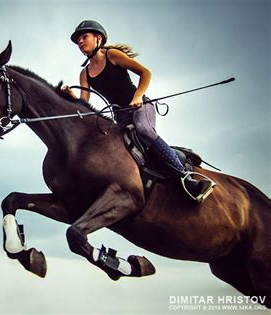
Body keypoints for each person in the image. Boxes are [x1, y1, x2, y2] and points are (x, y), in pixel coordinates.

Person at [64, 20, 216, 204]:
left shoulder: (112, 55)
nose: (80, 42)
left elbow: (145, 73)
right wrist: (71, 96)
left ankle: (186, 177)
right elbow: (84, 103)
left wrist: (137, 96)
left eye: (84, 37)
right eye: (78, 39)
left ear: (98, 38)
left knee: (143, 129)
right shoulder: (85, 74)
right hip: (119, 117)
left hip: (140, 106)